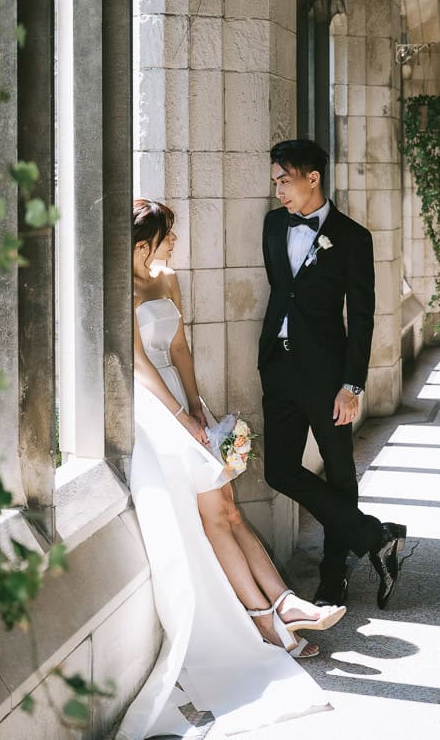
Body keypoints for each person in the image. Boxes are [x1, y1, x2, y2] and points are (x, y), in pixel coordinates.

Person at [116, 199, 344, 740]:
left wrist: (198, 407)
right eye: (168, 235)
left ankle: (280, 609)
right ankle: (272, 617)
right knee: (218, 510)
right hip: (149, 412)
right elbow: (139, 364)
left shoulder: (167, 280)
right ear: (142, 243)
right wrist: (178, 418)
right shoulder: (117, 291)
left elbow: (179, 349)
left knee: (228, 510)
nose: (175, 243)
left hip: (179, 403)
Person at [258, 139, 407, 610]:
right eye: (276, 181)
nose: (278, 189)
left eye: (285, 179)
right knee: (280, 471)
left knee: (340, 474)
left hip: (327, 376)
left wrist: (352, 385)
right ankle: (376, 536)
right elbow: (283, 294)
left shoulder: (353, 238)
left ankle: (332, 577)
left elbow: (362, 318)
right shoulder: (272, 225)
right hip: (278, 369)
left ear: (312, 177)